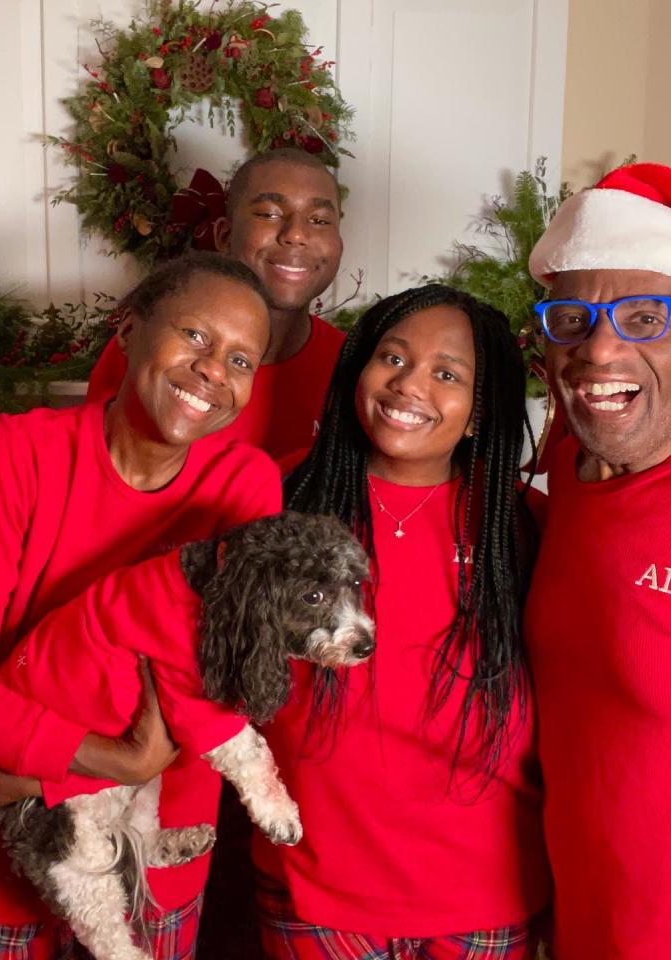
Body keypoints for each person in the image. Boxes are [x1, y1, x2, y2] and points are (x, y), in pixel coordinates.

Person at [0, 252, 283, 960]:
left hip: (154, 862)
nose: (214, 371)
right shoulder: (16, 454)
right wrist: (121, 759)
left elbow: (226, 675)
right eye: (194, 336)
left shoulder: (243, 487)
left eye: (242, 359)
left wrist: (58, 771)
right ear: (128, 328)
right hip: (1, 852)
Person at [254, 284, 549, 958]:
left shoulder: (523, 523)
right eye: (392, 357)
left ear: (478, 413)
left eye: (447, 374)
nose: (410, 384)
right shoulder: (281, 495)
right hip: (317, 883)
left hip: (484, 890)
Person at [525, 163, 671, 958]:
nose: (599, 349)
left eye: (646, 318)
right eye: (571, 319)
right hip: (577, 921)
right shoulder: (568, 473)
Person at [87, 148, 346, 461]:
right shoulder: (150, 347)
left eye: (319, 220)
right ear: (224, 235)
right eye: (269, 214)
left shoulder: (353, 368)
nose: (295, 235)